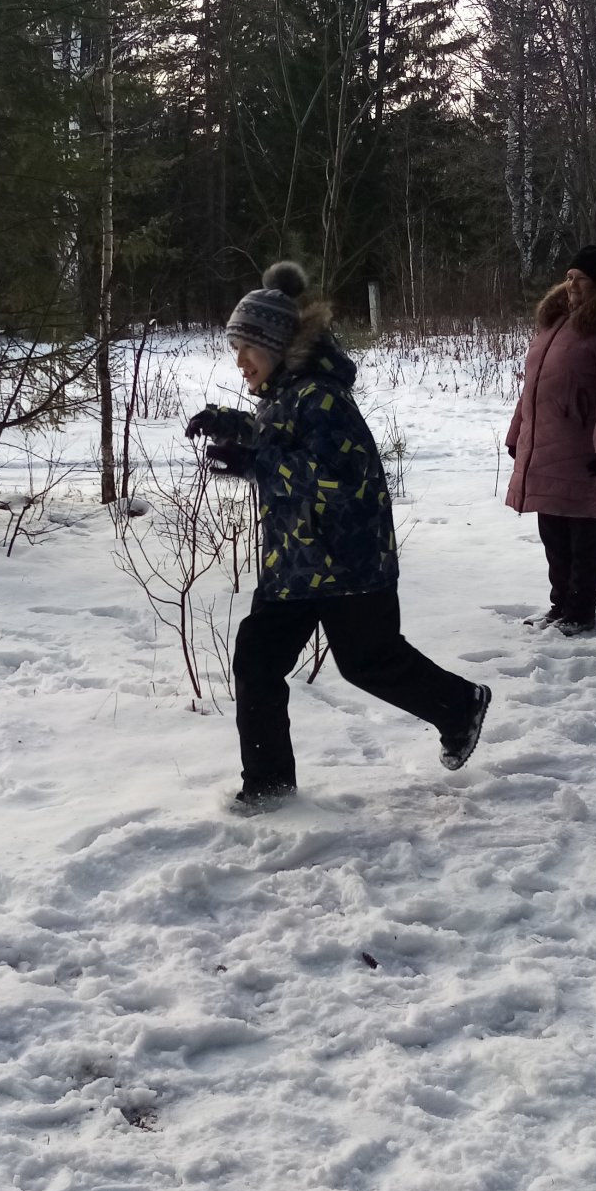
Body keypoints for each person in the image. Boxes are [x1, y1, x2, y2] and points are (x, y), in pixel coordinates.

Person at [185, 261, 492, 812]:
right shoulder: (291, 394)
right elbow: (285, 439)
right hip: (300, 562)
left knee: (368, 661)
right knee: (258, 662)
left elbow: (337, 477)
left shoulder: (322, 397)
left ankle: (459, 705)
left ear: (276, 345)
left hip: (346, 562)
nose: (238, 362)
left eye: (245, 348)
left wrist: (255, 460)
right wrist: (232, 424)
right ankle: (269, 787)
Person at [505, 245, 596, 636]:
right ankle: (560, 604)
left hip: (584, 449)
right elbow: (533, 387)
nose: (571, 284)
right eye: (570, 276)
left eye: (581, 279)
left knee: (582, 534)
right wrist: (516, 433)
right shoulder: (554, 322)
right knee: (553, 532)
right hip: (544, 443)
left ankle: (580, 610)